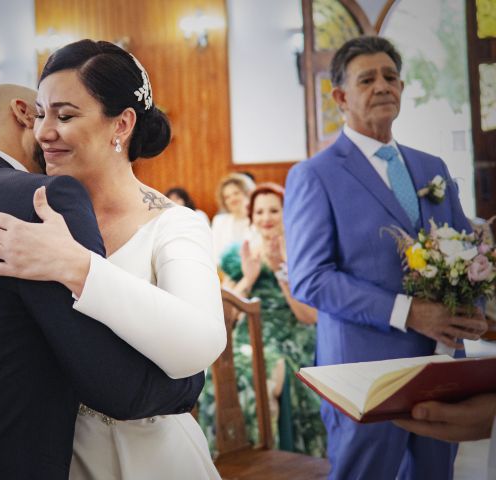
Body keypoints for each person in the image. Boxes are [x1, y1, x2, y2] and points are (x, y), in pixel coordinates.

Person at [0, 41, 226, 480]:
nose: (43, 132)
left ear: (122, 124)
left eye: (65, 115)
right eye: (40, 114)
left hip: (139, 459)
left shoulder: (175, 225)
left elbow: (202, 341)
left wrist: (77, 267)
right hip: (48, 456)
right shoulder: (28, 203)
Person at [284, 36, 488, 480]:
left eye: (391, 77)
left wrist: (474, 312)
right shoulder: (314, 176)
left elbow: (467, 257)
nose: (382, 86)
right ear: (341, 96)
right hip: (364, 374)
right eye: (367, 79)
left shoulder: (431, 168)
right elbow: (311, 279)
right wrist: (409, 312)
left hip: (441, 364)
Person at [198, 183, 324, 457]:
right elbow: (226, 316)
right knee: (218, 376)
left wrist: (281, 269)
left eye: (273, 211)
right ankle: (228, 459)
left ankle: (267, 456)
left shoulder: (303, 253)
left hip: (290, 334)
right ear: (252, 217)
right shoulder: (239, 254)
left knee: (262, 377)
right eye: (260, 212)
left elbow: (308, 317)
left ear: (286, 213)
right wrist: (249, 278)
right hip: (249, 332)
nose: (266, 218)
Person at [210, 173, 254, 263]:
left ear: (247, 193)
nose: (232, 199)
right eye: (227, 197)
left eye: (236, 193)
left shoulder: (259, 220)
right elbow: (214, 254)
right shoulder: (219, 221)